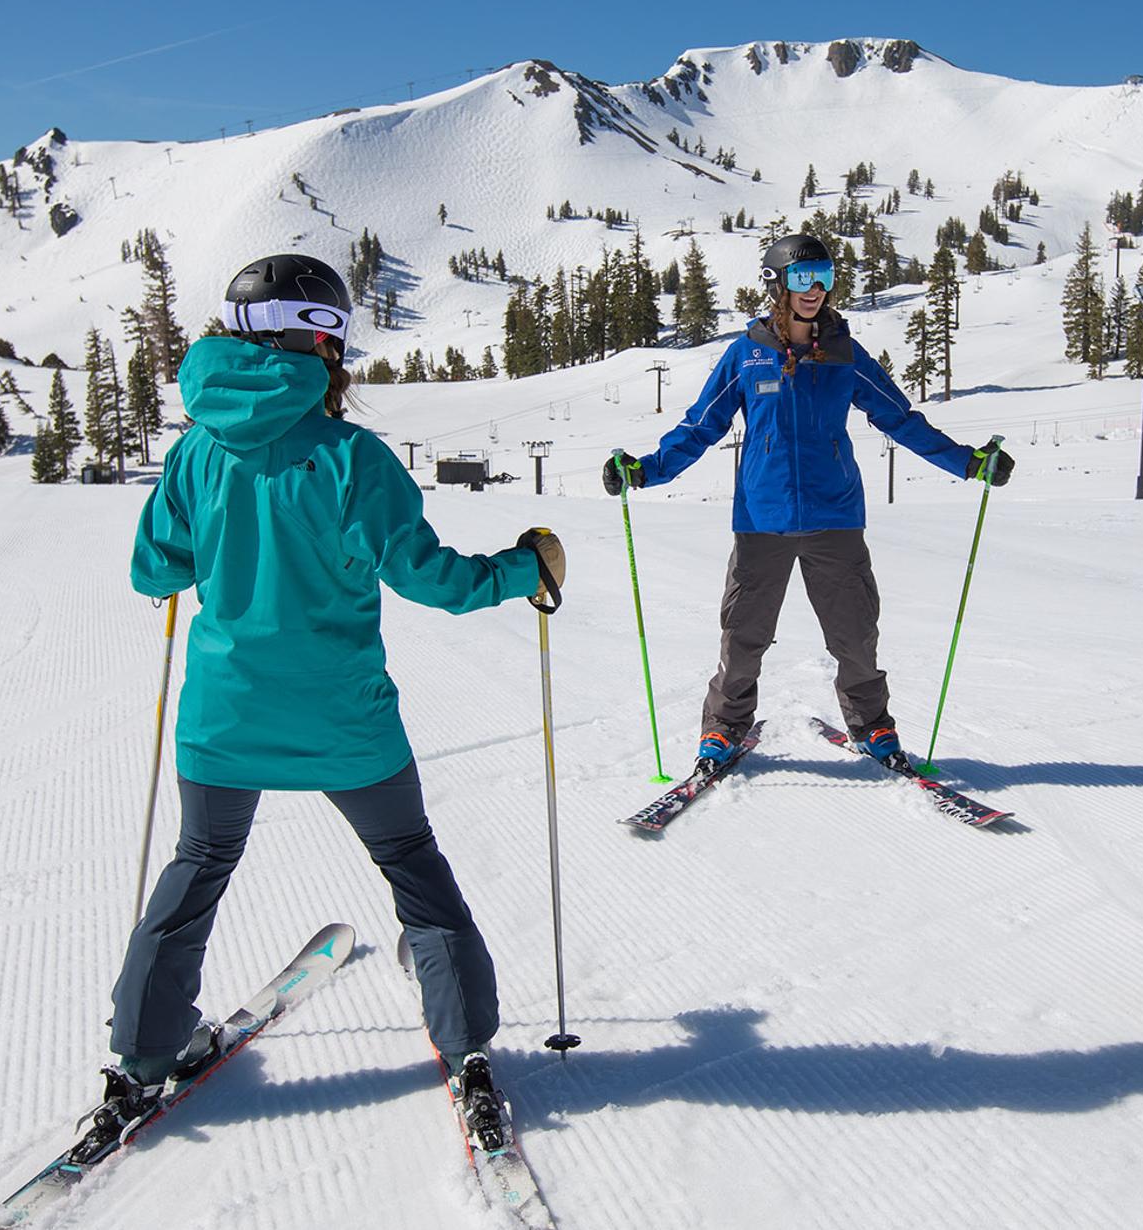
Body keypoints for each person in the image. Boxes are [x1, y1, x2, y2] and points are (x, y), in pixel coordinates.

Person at [108, 253, 565, 1150]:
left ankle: (138, 1060)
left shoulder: (196, 450)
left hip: (224, 719)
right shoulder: (352, 457)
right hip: (344, 720)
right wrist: (526, 569)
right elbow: (433, 582)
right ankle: (467, 1047)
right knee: (410, 862)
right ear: (326, 340)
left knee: (198, 864)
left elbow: (152, 569)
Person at [603, 232, 1012, 773]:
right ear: (777, 282)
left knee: (856, 635)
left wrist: (967, 462)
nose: (814, 288)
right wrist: (645, 471)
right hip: (761, 518)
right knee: (744, 638)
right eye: (801, 277)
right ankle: (724, 728)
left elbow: (900, 419)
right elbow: (700, 427)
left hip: (834, 515)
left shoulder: (845, 354)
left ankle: (872, 726)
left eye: (823, 276)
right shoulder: (747, 356)